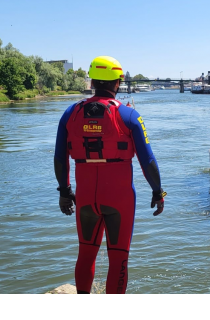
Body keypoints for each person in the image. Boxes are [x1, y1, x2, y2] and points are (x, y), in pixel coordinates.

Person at [54, 56, 166, 294]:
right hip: (120, 200)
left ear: (93, 81)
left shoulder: (69, 113)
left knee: (86, 253)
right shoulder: (129, 116)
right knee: (118, 259)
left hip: (84, 198)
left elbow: (59, 158)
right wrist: (159, 192)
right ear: (117, 83)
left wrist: (65, 192)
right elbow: (148, 161)